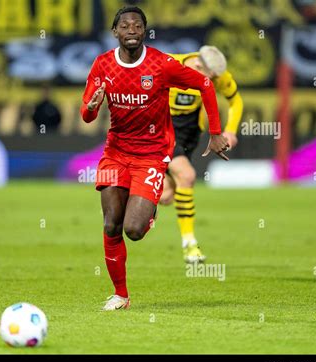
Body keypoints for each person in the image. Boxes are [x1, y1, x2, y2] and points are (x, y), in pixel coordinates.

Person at [80, 6, 229, 311]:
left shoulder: (162, 64)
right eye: (125, 25)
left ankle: (148, 210)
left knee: (133, 230)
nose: (131, 29)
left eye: (137, 25)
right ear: (115, 32)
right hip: (115, 153)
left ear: (144, 31)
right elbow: (86, 114)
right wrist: (92, 107)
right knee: (111, 225)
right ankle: (121, 295)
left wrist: (215, 132)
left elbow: (204, 84)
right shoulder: (103, 65)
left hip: (150, 155)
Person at [159, 46, 243, 263]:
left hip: (189, 134)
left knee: (166, 196)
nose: (213, 81)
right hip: (161, 128)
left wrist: (231, 129)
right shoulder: (169, 65)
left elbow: (235, 101)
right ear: (197, 65)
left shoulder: (216, 74)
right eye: (211, 77)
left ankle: (134, 191)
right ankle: (189, 245)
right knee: (187, 176)